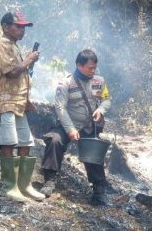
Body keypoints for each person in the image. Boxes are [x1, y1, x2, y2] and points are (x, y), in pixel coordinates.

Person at [0, 11, 43, 202]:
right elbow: (12, 73)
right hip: (2, 102)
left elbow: (21, 76)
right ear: (5, 26)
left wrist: (27, 101)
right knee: (8, 143)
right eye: (18, 26)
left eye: (24, 27)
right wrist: (28, 60)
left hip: (17, 103)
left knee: (25, 142)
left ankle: (24, 185)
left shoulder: (14, 48)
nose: (22, 30)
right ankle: (10, 186)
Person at [40, 49, 112, 206]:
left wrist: (101, 110)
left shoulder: (99, 81)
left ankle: (99, 191)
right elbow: (60, 108)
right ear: (79, 65)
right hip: (68, 125)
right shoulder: (65, 83)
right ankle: (49, 181)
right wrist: (70, 129)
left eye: (95, 67)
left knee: (94, 149)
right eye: (90, 68)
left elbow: (107, 99)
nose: (93, 71)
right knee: (54, 141)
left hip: (88, 127)